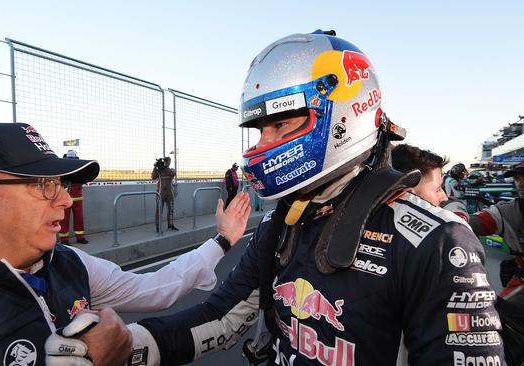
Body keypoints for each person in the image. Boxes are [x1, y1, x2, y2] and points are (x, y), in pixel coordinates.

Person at [126, 30, 505, 365]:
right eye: (259, 130)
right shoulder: (282, 224)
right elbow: (221, 318)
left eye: (280, 124)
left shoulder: (436, 242)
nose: (264, 144)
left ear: (342, 118)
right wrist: (128, 345)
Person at [0, 123, 252, 365]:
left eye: (61, 184)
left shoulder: (66, 262)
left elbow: (155, 289)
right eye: (43, 185)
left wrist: (222, 240)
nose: (66, 200)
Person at [444, 161, 524, 365]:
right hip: (521, 283)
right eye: (517, 178)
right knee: (492, 319)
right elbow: (470, 222)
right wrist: (456, 215)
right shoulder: (509, 212)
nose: (520, 183)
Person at [58, 150, 89, 244]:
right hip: (65, 197)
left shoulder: (79, 167)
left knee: (79, 218)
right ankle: (64, 240)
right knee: (64, 219)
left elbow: (84, 179)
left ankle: (80, 237)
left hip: (78, 197)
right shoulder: (62, 167)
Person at [151, 156, 178, 231]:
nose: (167, 162)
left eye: (168, 161)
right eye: (165, 161)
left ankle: (170, 225)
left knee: (171, 209)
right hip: (161, 192)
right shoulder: (159, 170)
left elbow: (173, 173)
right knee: (159, 210)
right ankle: (158, 226)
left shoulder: (170, 170)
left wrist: (164, 168)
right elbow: (153, 177)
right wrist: (155, 168)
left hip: (169, 192)